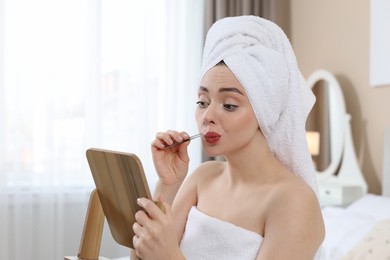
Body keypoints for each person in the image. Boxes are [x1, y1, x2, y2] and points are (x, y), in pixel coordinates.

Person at [131, 15, 325, 260]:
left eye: (230, 105)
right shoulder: (203, 177)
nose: (207, 116)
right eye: (202, 102)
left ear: (263, 111)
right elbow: (141, 256)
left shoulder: (294, 202)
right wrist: (168, 185)